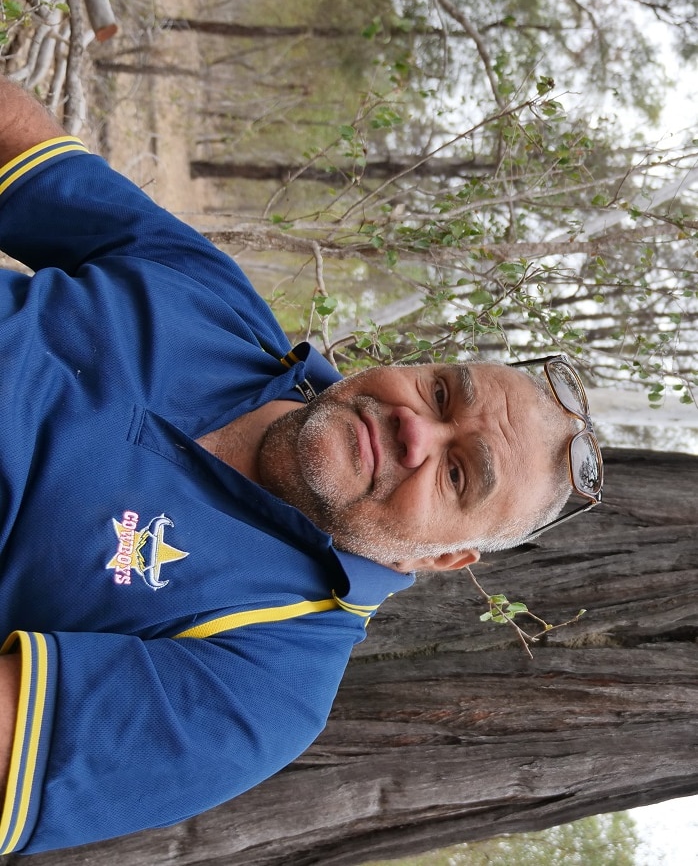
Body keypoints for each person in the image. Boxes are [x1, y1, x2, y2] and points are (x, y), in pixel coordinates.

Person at [0, 76, 602, 854]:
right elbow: (26, 149)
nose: (416, 428)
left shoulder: (262, 688)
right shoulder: (215, 300)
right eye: (442, 391)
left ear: (450, 558)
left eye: (458, 474)